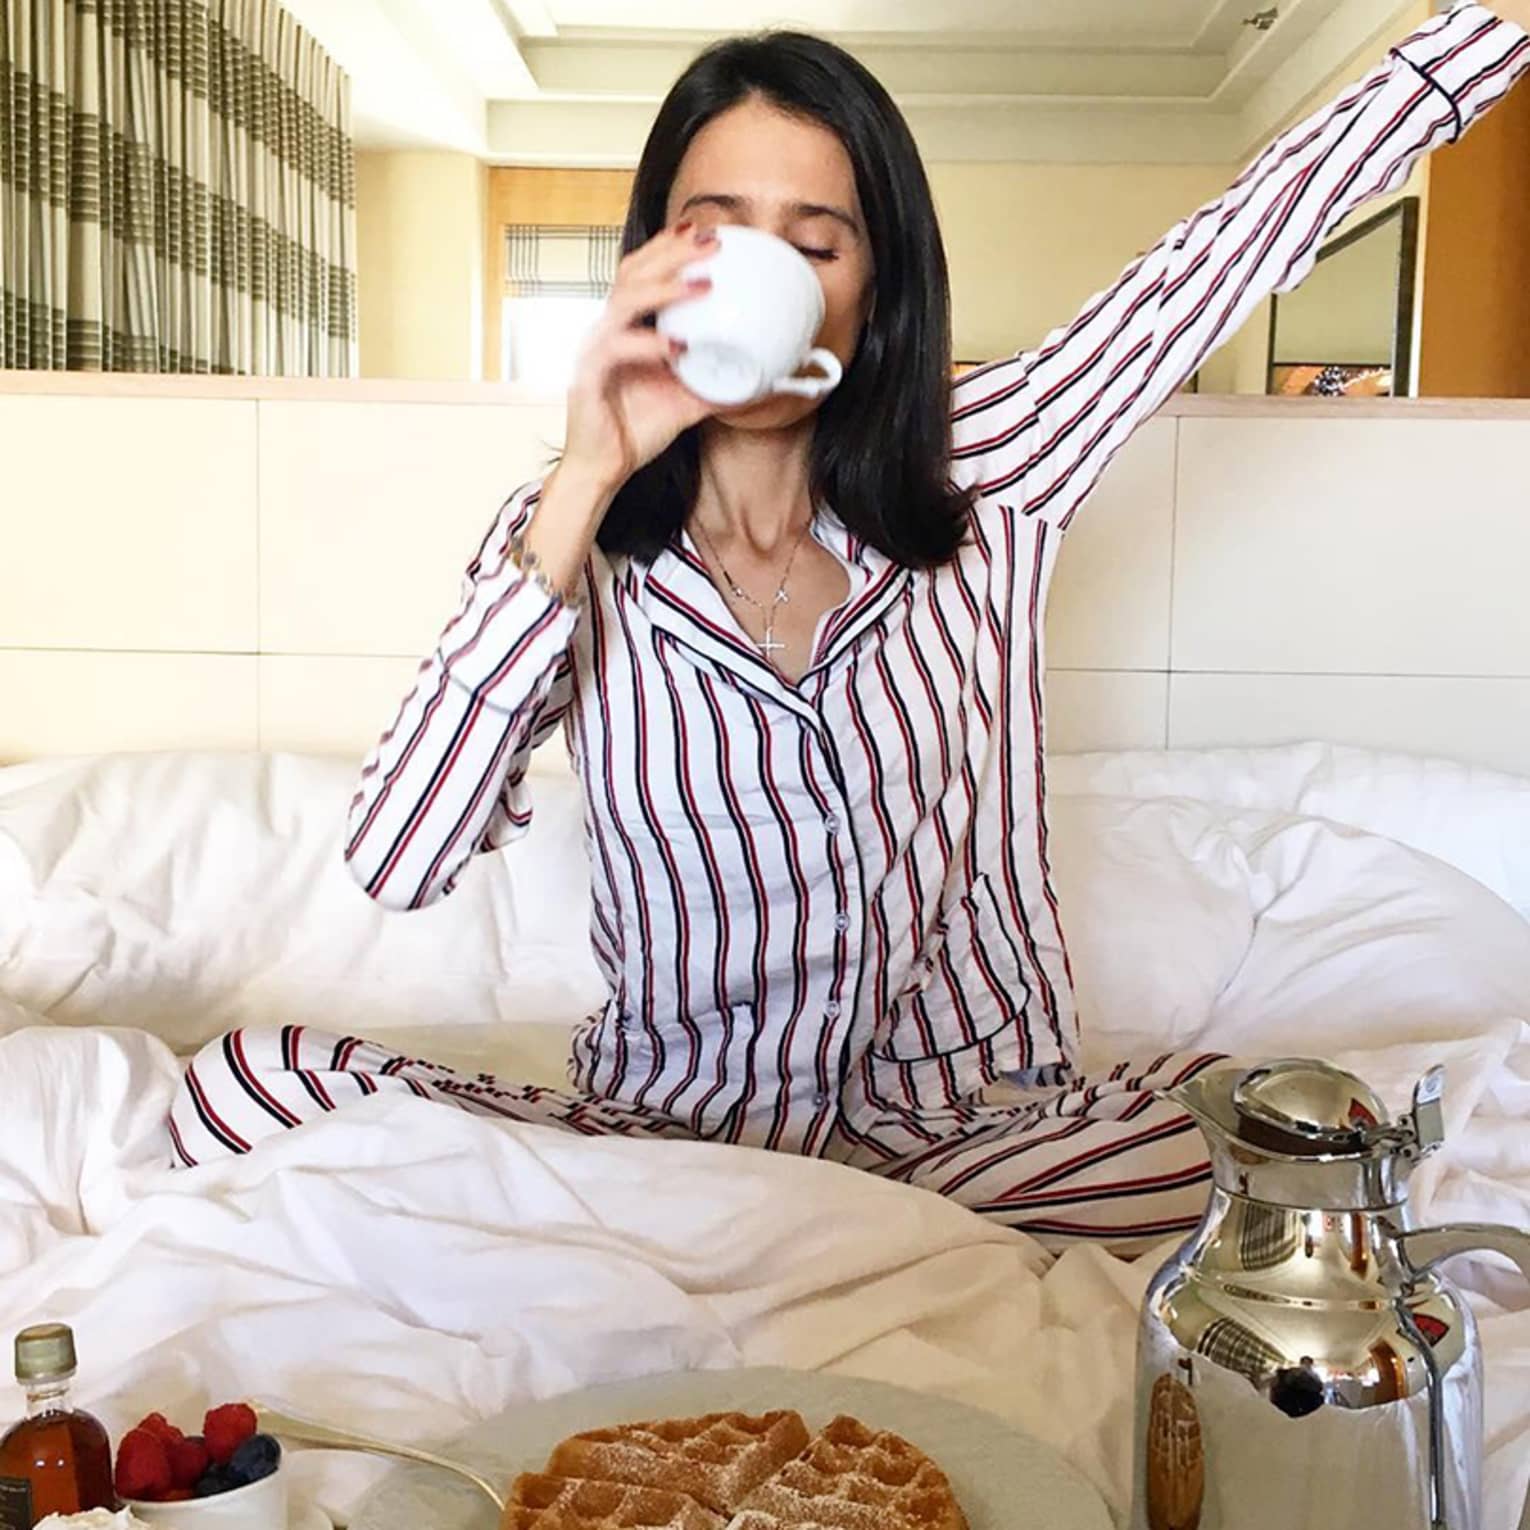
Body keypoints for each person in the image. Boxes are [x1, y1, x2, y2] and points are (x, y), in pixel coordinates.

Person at [170, 4, 1530, 1253]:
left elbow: (1232, 243)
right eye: (715, 236)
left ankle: (812, 1229)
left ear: (872, 288)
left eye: (812, 243)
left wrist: (1478, 39)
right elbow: (399, 861)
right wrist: (582, 478)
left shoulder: (994, 463)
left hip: (977, 1137)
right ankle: (761, 1222)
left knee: (1328, 1127)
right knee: (244, 1087)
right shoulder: (565, 540)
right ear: (651, 262)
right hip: (673, 1134)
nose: (763, 276)